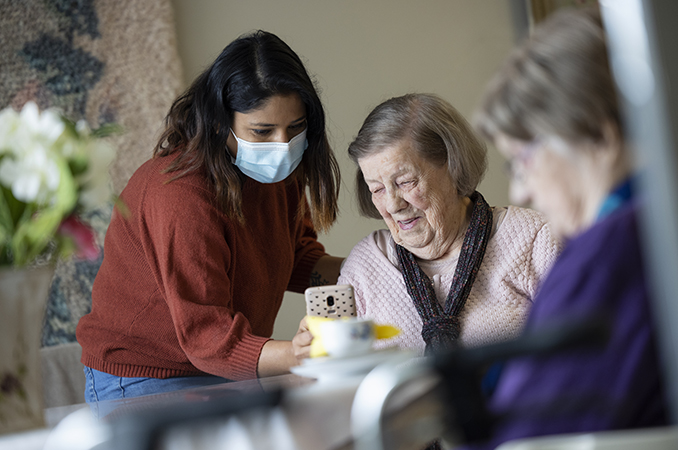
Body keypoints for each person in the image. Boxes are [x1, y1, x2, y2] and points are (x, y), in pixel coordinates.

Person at [76, 30, 342, 404]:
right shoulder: (180, 195)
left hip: (219, 366)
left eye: (295, 128)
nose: (283, 147)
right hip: (144, 374)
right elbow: (207, 336)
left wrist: (375, 266)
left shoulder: (277, 175)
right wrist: (298, 353)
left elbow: (293, 257)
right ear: (220, 123)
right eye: (262, 132)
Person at [463, 7, 669, 448]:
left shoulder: (611, 252)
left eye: (523, 160)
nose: (520, 192)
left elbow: (530, 436)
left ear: (596, 133)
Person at [338, 93, 561, 356]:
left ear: (452, 165)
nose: (393, 204)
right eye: (376, 189)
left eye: (405, 182)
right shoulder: (365, 267)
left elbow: (585, 355)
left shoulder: (536, 240)